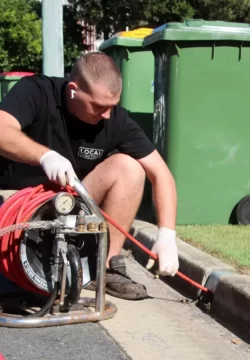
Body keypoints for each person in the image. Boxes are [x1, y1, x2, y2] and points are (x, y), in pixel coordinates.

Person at [0, 52, 179, 300]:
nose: (106, 115)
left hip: (67, 203)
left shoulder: (114, 121)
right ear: (73, 90)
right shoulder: (36, 91)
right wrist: (45, 156)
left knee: (130, 167)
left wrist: (167, 236)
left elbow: (161, 174)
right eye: (98, 106)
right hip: (13, 204)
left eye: (111, 107)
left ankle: (103, 269)